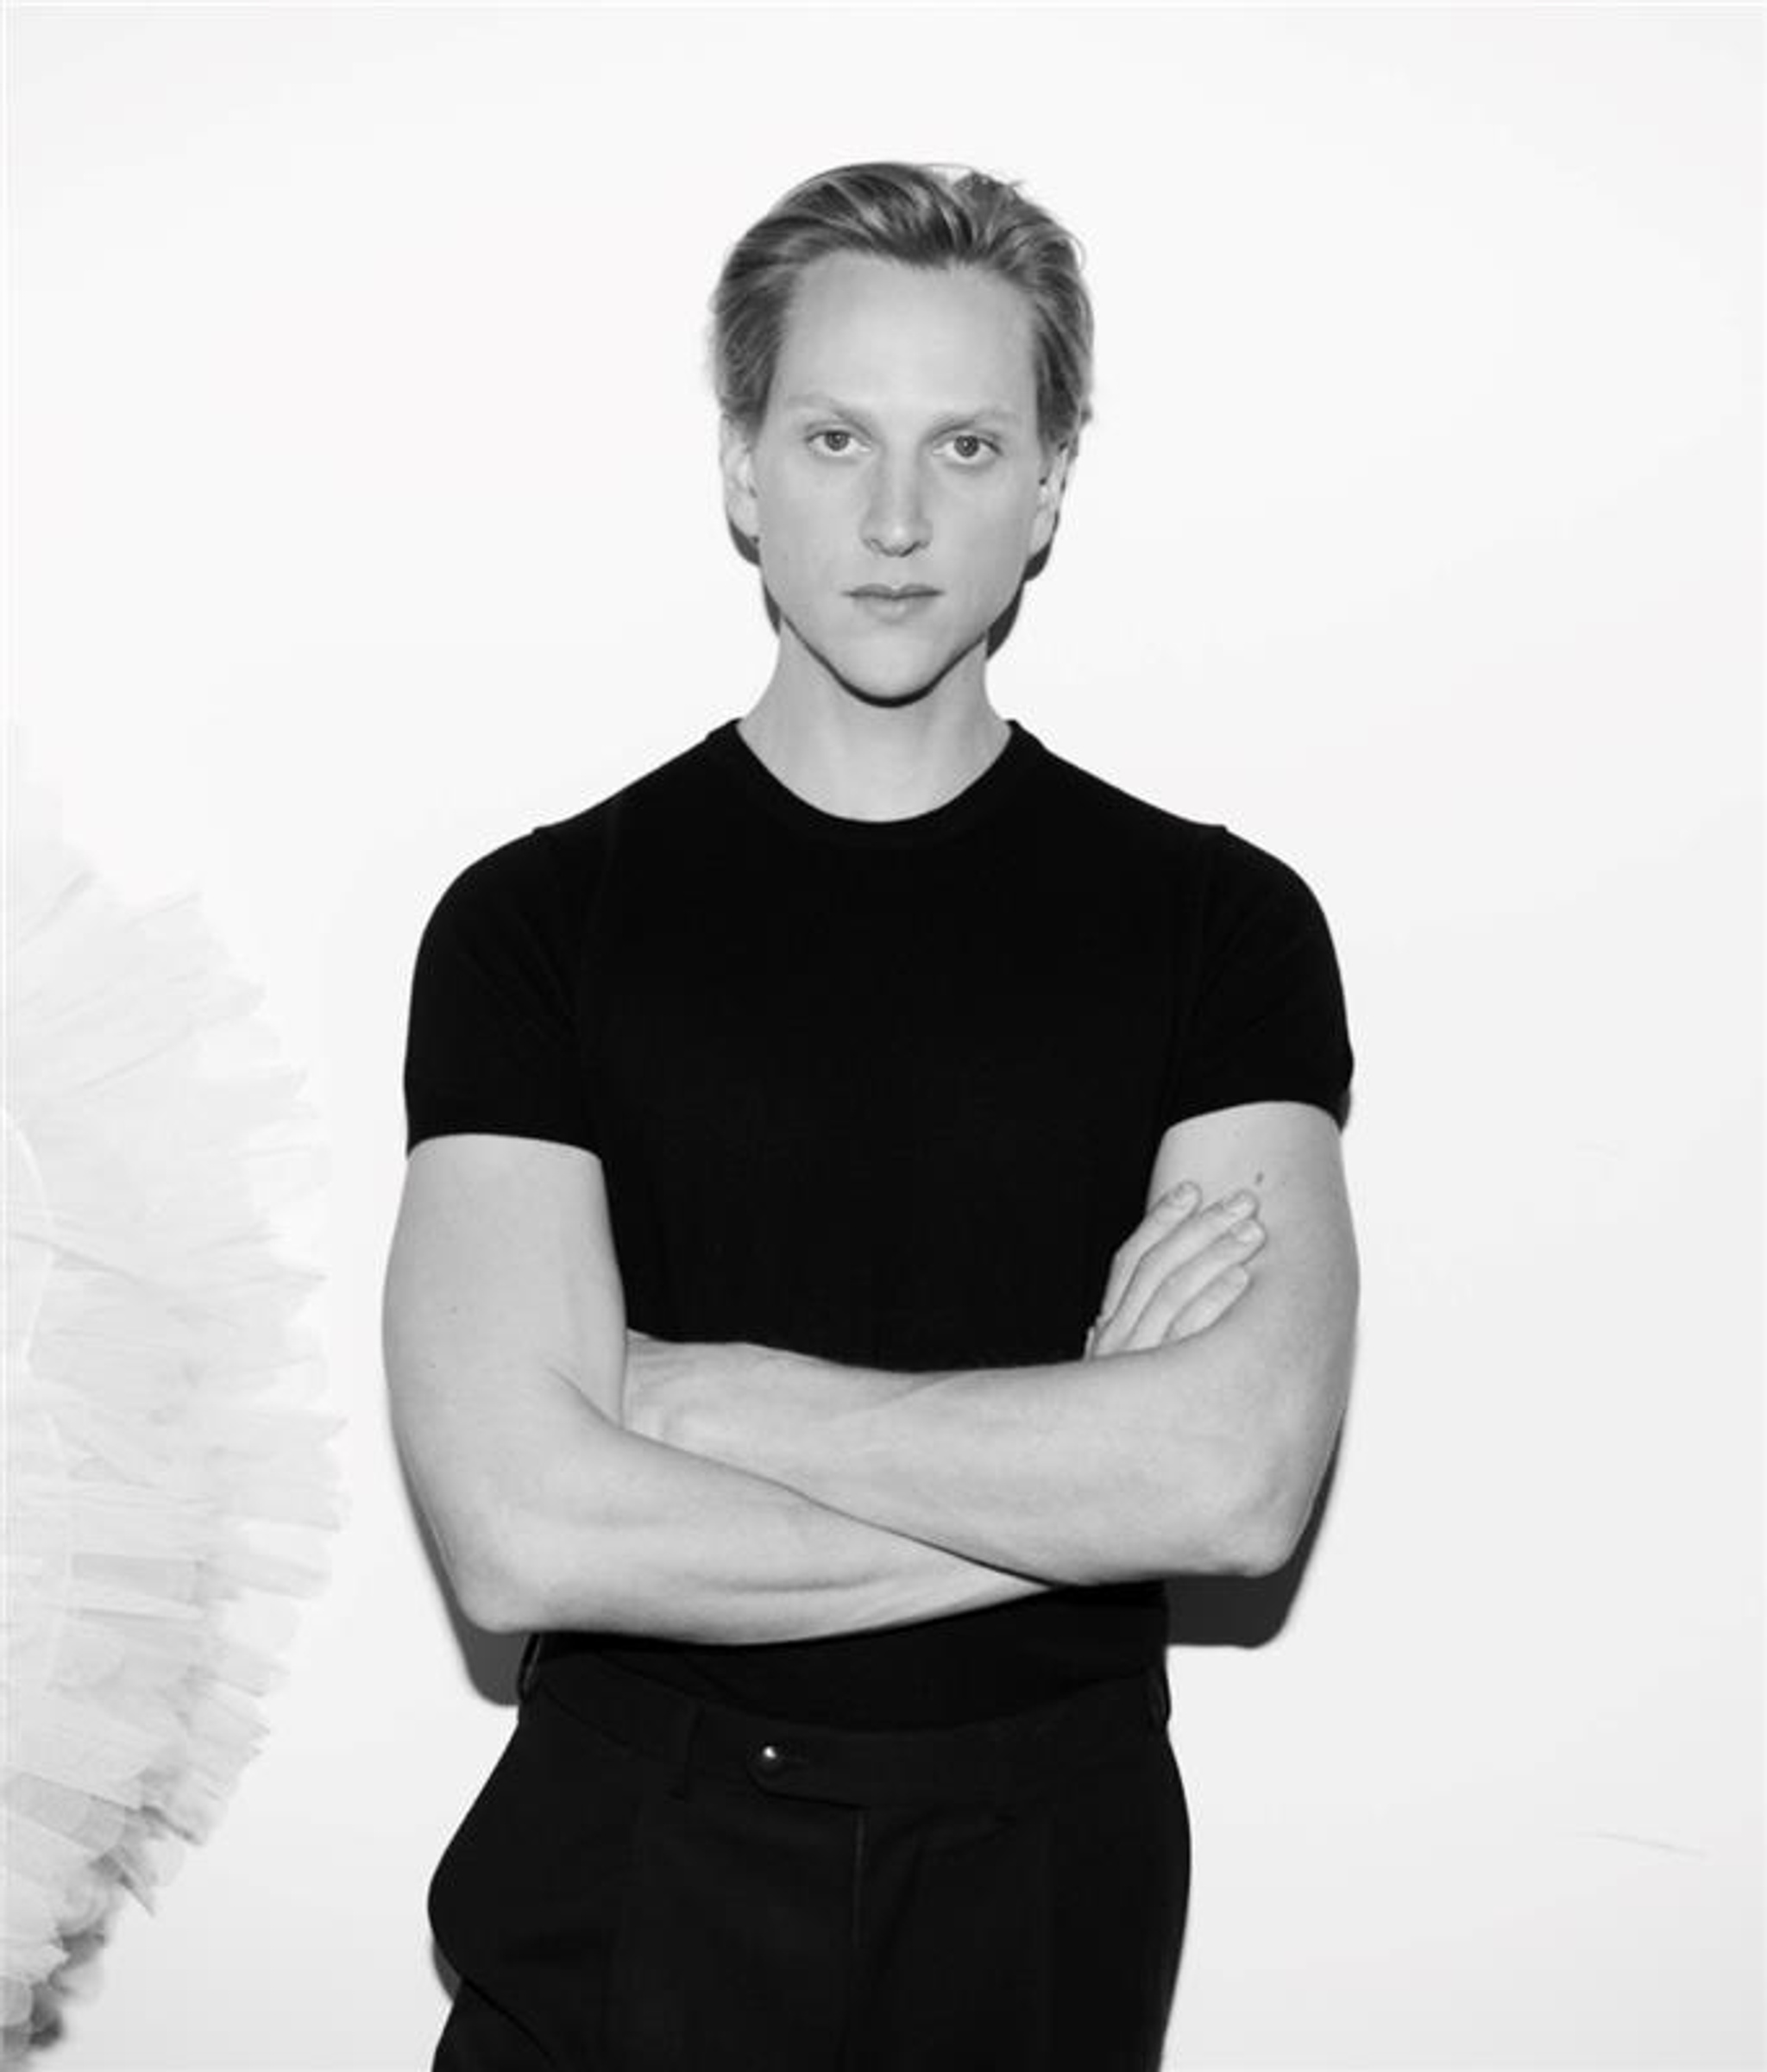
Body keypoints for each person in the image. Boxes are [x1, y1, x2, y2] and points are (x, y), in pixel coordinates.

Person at [384, 160, 1358, 2072]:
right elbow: (517, 1528)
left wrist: (710, 1397)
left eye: (970, 443)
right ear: (741, 467)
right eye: (834, 436)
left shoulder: (1221, 926)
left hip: (1044, 1880)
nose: (898, 517)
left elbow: (1232, 1481)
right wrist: (1085, 1472)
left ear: (1054, 484)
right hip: (631, 1858)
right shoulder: (535, 925)